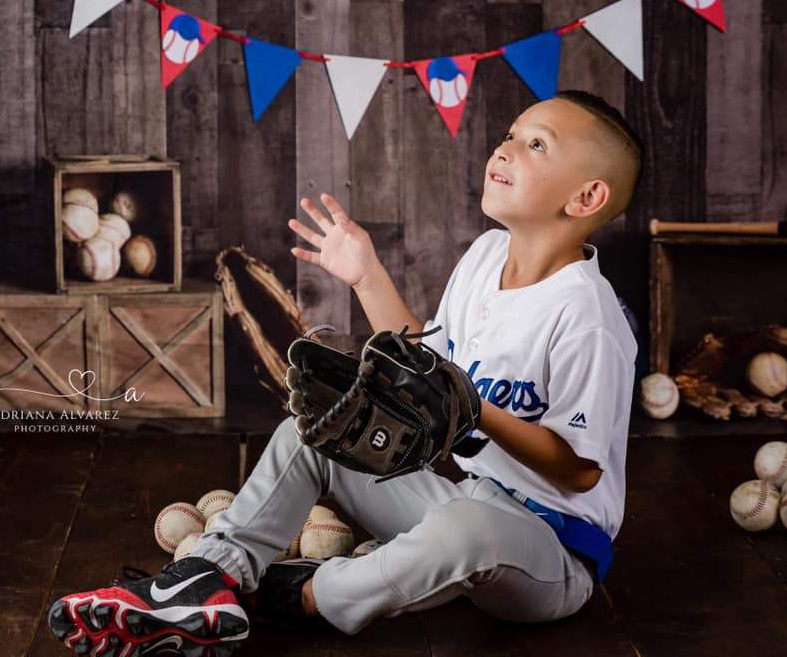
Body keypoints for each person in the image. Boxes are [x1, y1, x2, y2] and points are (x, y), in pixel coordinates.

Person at [48, 88, 643, 655]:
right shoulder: (486, 256)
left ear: (586, 198)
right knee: (314, 433)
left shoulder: (587, 314)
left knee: (468, 530)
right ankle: (207, 578)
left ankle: (299, 596)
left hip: (553, 556)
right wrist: (366, 276)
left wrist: (474, 407)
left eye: (536, 145)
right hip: (467, 496)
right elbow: (428, 361)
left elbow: (582, 471)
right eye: (510, 134)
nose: (504, 148)